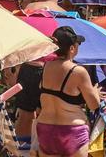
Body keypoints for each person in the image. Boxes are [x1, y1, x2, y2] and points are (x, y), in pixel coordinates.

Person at [34, 26, 99, 157]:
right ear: (72, 48)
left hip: (46, 128)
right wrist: (95, 92)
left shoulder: (46, 67)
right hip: (71, 130)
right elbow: (94, 105)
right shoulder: (78, 71)